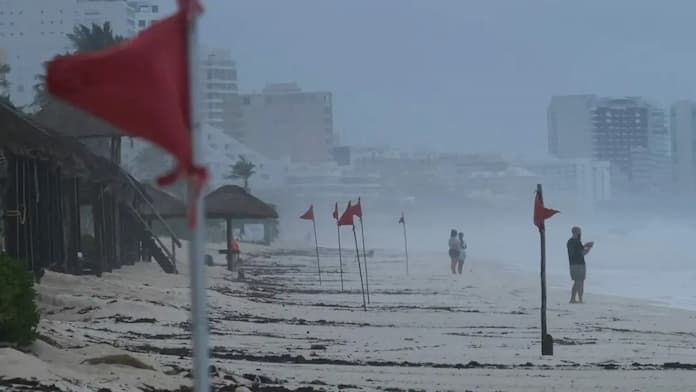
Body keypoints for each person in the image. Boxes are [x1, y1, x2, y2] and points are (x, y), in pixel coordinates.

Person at [567, 226, 593, 304]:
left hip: (574, 264)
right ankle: (576, 299)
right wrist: (589, 248)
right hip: (578, 264)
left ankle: (576, 299)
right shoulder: (576, 242)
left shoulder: (570, 241)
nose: (580, 233)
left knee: (578, 282)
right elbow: (582, 253)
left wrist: (585, 245)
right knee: (579, 282)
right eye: (580, 232)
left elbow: (578, 250)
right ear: (577, 232)